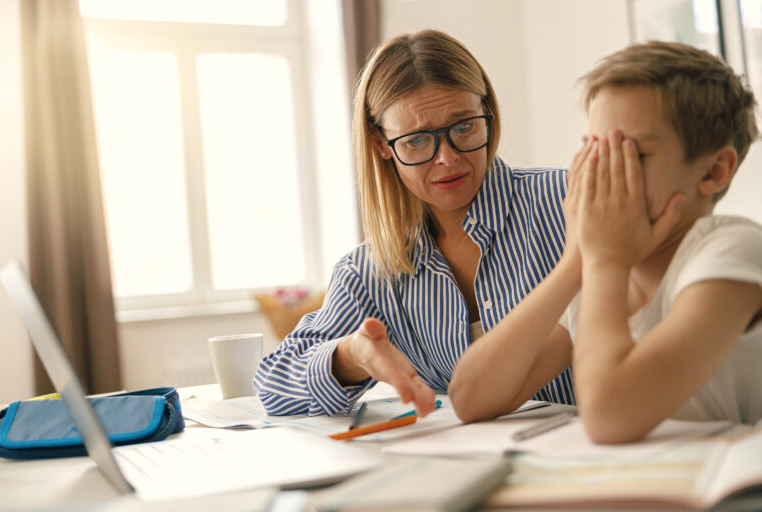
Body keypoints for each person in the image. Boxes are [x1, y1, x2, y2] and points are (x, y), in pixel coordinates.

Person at [449, 41, 762, 442]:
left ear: (714, 171)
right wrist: (572, 265)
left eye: (631, 153)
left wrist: (604, 262)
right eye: (592, 149)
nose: (600, 171)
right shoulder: (596, 276)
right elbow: (470, 397)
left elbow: (608, 417)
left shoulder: (732, 250)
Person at [253, 29, 575, 416]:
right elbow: (272, 385)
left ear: (488, 115)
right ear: (381, 145)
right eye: (417, 141)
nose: (447, 158)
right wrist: (351, 356)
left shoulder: (569, 201)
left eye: (463, 127)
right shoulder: (369, 272)